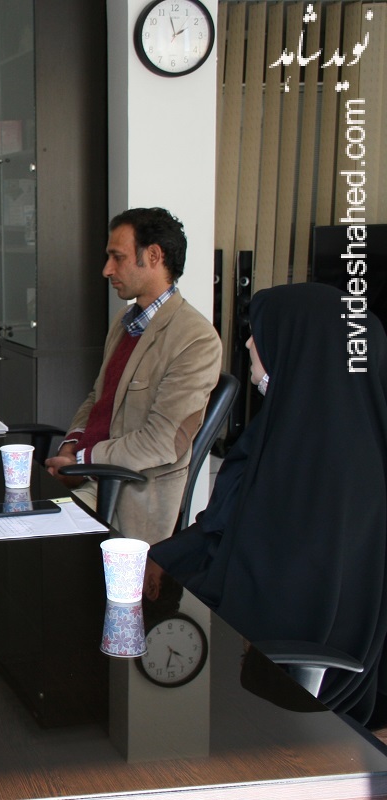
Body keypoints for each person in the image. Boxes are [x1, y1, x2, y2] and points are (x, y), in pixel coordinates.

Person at [152, 282, 387, 726]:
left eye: (260, 334)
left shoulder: (329, 467)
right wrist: (155, 560)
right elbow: (222, 528)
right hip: (240, 636)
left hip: (279, 680)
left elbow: (279, 595)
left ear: (300, 348)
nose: (247, 344)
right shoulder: (290, 429)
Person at [44, 207, 221, 544]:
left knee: (30, 543)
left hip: (130, 496)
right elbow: (98, 398)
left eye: (118, 257)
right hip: (90, 477)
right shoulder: (126, 321)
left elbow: (161, 442)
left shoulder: (195, 338)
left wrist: (81, 460)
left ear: (153, 256)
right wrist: (71, 447)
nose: (107, 269)